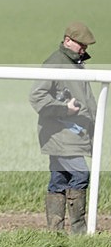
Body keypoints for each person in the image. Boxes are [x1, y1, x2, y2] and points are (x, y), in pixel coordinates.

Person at [29, 21, 97, 234]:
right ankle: (79, 233)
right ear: (67, 40)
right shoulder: (56, 63)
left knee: (59, 180)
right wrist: (64, 110)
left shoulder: (75, 62)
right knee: (81, 174)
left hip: (72, 134)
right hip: (61, 134)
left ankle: (54, 233)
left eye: (86, 46)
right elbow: (36, 96)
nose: (84, 49)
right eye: (81, 45)